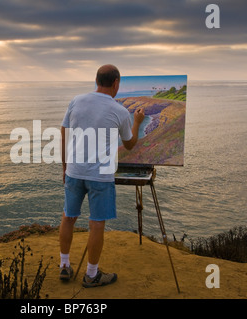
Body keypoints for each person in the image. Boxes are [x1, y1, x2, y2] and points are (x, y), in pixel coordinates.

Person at [59, 64, 145, 287]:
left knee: (68, 217)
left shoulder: (76, 100)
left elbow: (64, 131)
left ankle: (65, 266)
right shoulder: (119, 111)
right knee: (96, 224)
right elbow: (129, 144)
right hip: (100, 175)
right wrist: (137, 122)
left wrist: (64, 168)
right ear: (116, 83)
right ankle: (91, 274)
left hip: (74, 171)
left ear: (96, 80)